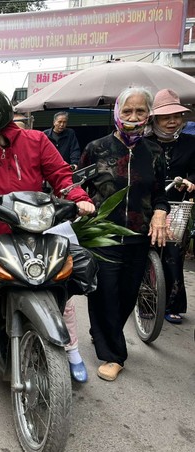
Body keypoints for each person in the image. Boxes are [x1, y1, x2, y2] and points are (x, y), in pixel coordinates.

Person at [0, 88, 95, 381]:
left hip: (36, 232)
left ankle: (72, 351)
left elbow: (60, 175)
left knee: (61, 292)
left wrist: (78, 196)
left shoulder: (36, 141)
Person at [79, 86, 170, 382]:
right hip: (103, 234)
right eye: (127, 111)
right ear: (118, 112)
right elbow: (76, 186)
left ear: (148, 114)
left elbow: (160, 194)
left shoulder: (155, 152)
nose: (133, 117)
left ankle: (103, 332)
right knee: (104, 292)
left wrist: (160, 211)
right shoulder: (96, 148)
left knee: (127, 293)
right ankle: (113, 354)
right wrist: (81, 204)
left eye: (140, 111)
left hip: (138, 235)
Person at [145, 89, 195, 324]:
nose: (172, 121)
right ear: (155, 119)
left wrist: (191, 181)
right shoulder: (144, 143)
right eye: (166, 117)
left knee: (173, 255)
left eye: (176, 116)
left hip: (177, 206)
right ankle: (145, 300)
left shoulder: (190, 143)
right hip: (147, 204)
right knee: (144, 254)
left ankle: (173, 303)